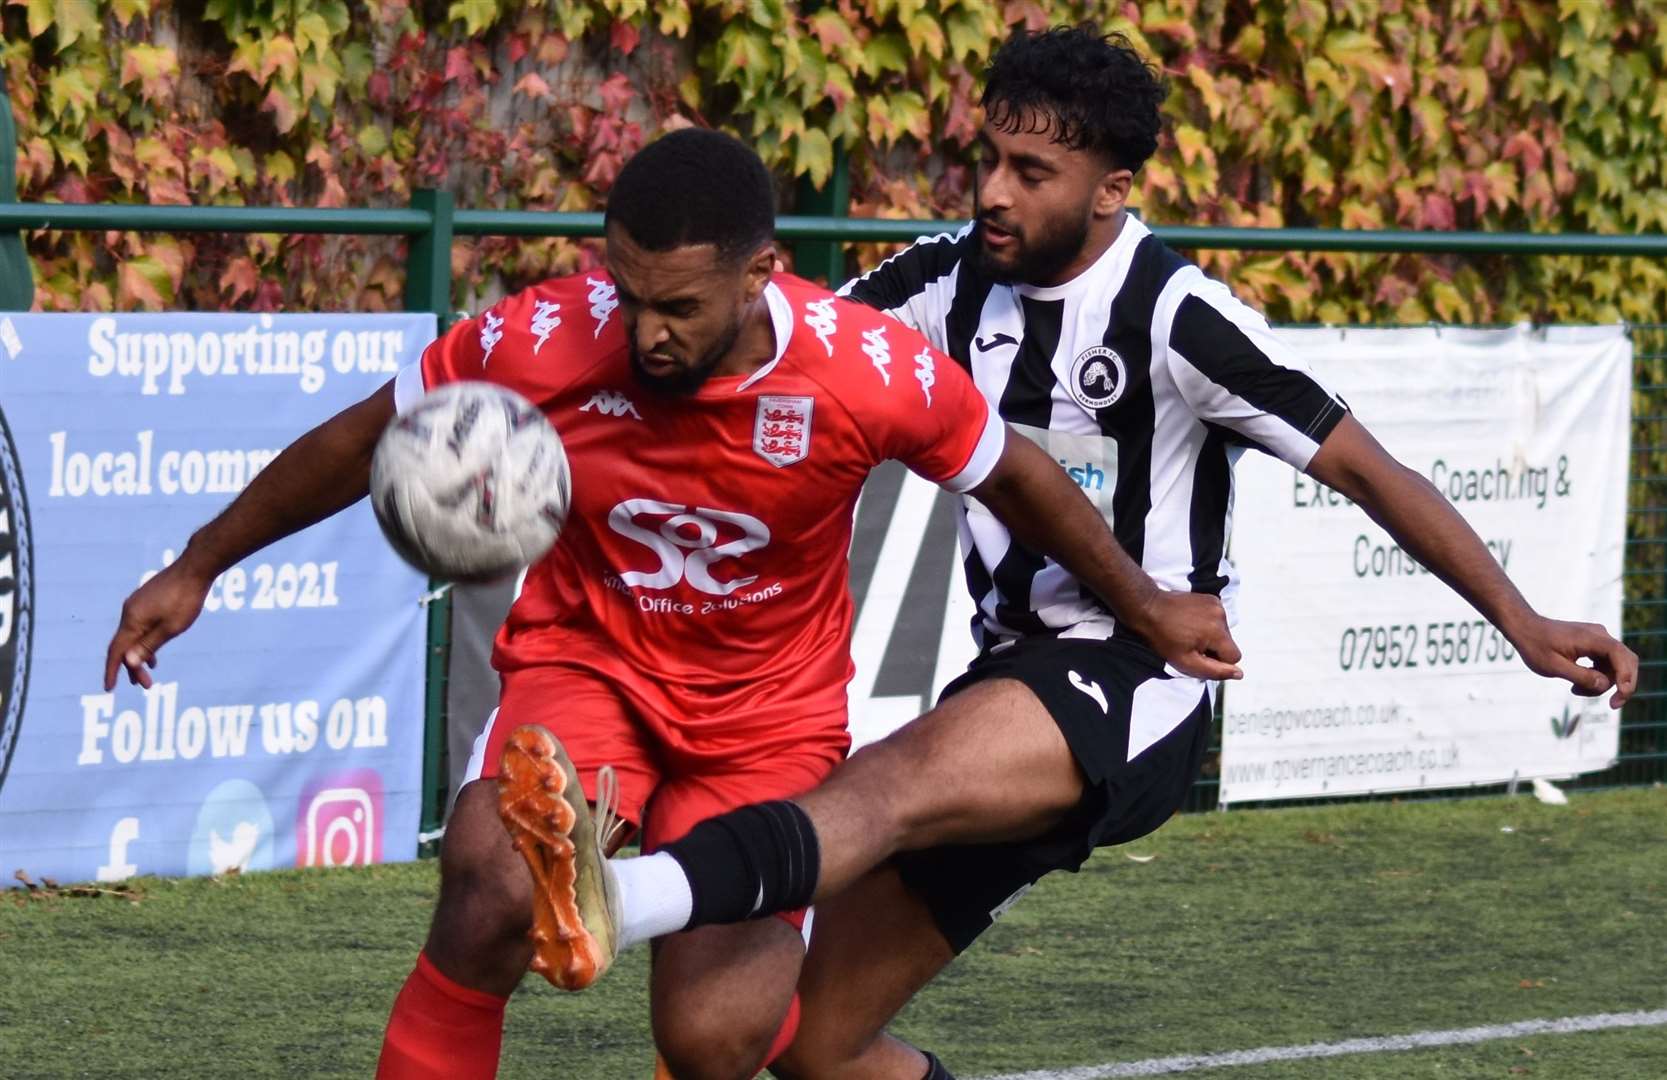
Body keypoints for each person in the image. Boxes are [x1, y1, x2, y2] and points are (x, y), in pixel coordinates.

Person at [522, 26, 1641, 1080]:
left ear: (1111, 190)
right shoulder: (933, 284)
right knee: (808, 1043)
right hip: (1004, 680)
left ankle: (625, 897)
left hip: (1134, 678)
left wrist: (1522, 622)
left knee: (884, 781)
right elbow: (787, 363)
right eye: (988, 159)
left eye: (1032, 172)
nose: (995, 192)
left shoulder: (1176, 316)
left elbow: (1364, 470)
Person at [102, 127, 1241, 1080]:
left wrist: (1144, 609)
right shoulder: (546, 336)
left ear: (758, 275)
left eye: (680, 307)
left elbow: (1021, 477)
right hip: (588, 667)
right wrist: (198, 564)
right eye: (628, 290)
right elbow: (362, 438)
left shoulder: (864, 369)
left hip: (766, 720)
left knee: (718, 1039)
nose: (646, 330)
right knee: (493, 887)